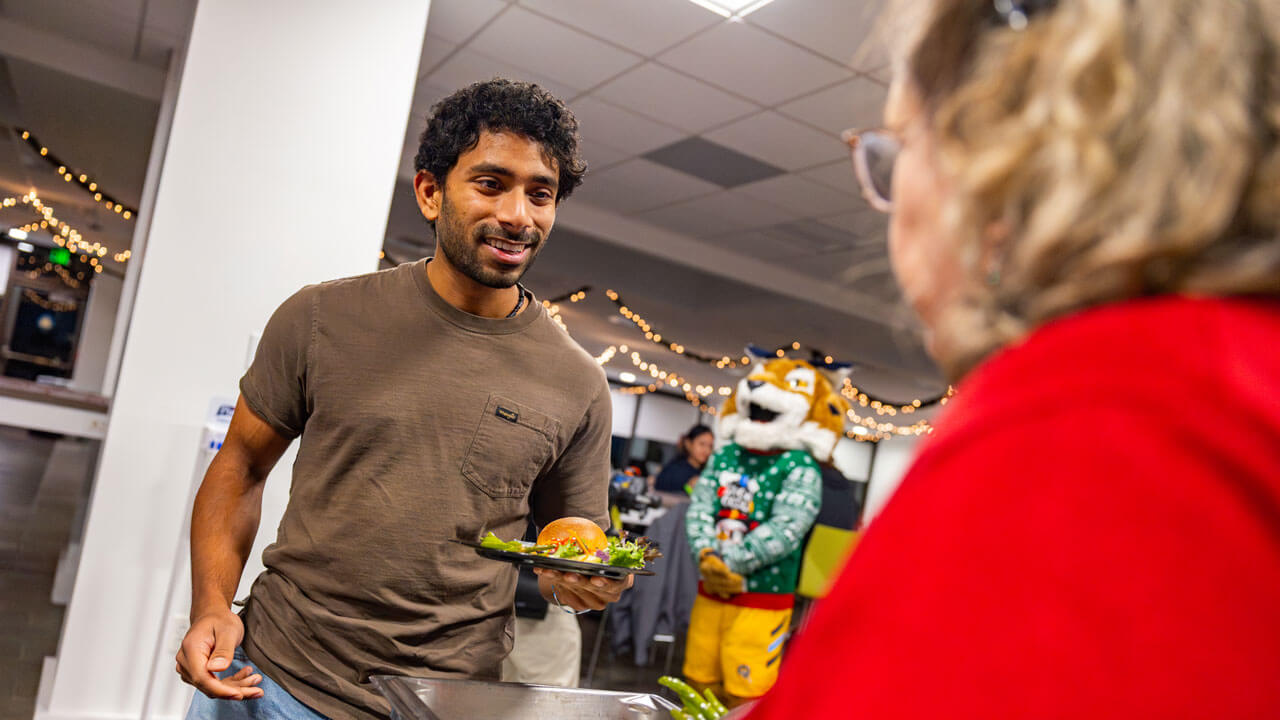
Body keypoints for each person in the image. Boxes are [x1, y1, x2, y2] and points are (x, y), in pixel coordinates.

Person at [746, 0, 1280, 717]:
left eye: (894, 156)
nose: (892, 207)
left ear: (999, 156)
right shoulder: (1235, 374)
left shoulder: (1099, 421)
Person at [175, 79, 632, 720]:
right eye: (491, 184)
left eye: (540, 194)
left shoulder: (578, 382)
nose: (518, 216)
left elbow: (568, 545)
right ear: (429, 192)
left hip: (442, 703)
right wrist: (211, 607)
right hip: (274, 683)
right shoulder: (319, 316)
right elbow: (241, 468)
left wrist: (583, 580)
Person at [653, 424, 714, 493]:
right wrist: (688, 488)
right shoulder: (674, 469)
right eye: (702, 444)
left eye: (710, 446)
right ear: (688, 444)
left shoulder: (708, 472)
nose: (707, 450)